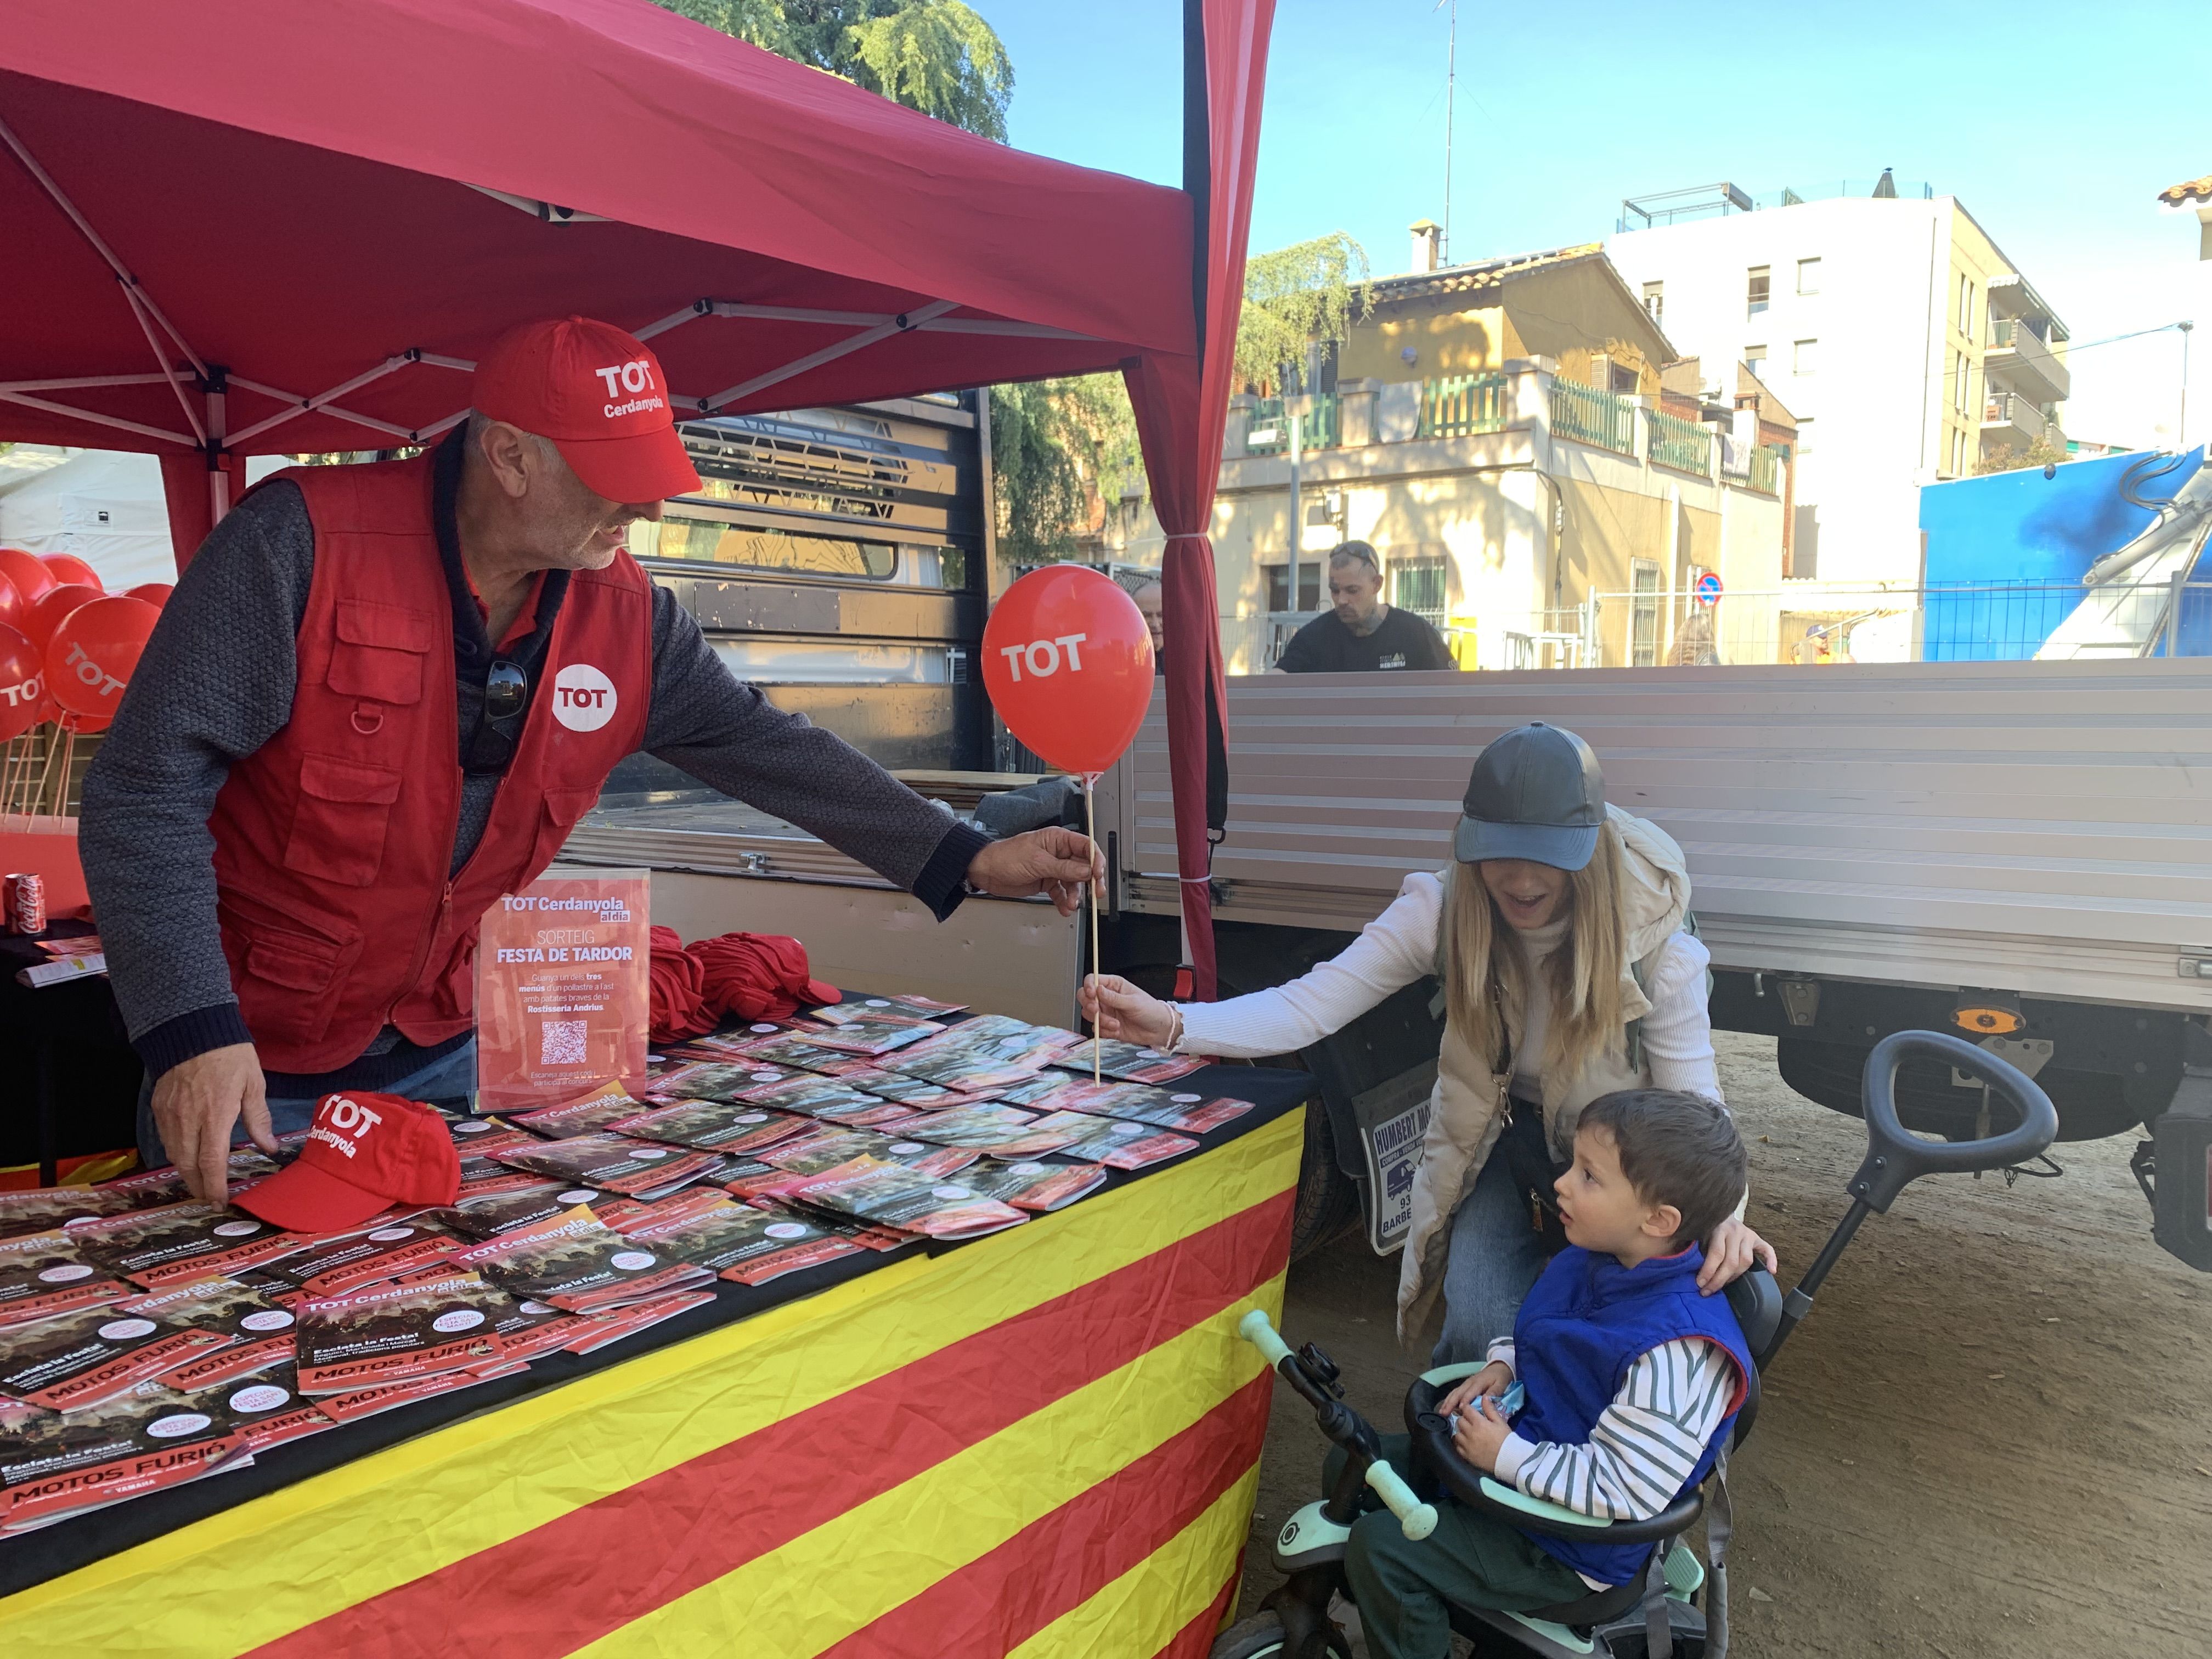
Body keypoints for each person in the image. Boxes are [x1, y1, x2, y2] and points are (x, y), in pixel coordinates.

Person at [82, 315, 1100, 1204]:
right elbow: (144, 788)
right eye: (617, 481)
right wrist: (189, 1027)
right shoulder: (300, 543)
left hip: (446, 1053)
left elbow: (770, 745)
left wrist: (963, 852)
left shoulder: (631, 617)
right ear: (511, 457)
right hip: (253, 1066)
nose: (647, 511)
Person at [1080, 720, 1772, 1361]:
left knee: (1608, 1332)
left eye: (1547, 856)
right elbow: (1311, 1005)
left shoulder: (1656, 945)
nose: (1522, 879)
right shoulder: (1441, 908)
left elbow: (1698, 1103)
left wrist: (1728, 1215)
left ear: (1587, 850)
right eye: (1501, 852)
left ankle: (1566, 1476)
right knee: (1478, 1317)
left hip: (1619, 1159)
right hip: (1501, 1132)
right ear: (1470, 839)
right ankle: (1467, 1473)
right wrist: (1173, 1024)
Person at [1334, 1089, 1755, 1659]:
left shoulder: (1678, 1350)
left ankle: (1401, 1611)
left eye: (1589, 1177)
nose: (1561, 1183)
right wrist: (1505, 1364)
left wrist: (1505, 1456)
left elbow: (1623, 1488)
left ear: (1658, 1220)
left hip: (1568, 1548)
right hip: (1528, 1478)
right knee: (1352, 1464)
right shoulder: (1597, 1257)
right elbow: (1553, 1330)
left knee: (1386, 1549)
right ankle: (1386, 1611)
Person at [1271, 541, 1452, 674]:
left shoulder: (1416, 633)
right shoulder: (1312, 639)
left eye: (1352, 590)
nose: (1342, 600)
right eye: (1335, 591)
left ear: (1377, 584)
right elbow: (1276, 681)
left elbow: (1454, 690)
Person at [1131, 577, 1166, 672]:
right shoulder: (1124, 658)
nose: (1155, 624)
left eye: (1161, 615)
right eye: (1147, 616)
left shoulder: (1187, 658)